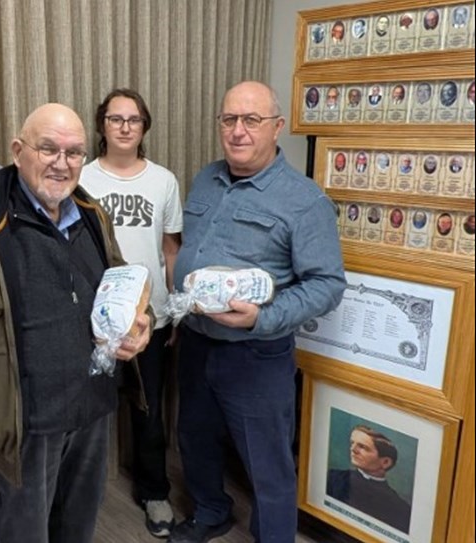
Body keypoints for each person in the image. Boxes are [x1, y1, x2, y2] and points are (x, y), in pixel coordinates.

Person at [0, 103, 151, 543]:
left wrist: (141, 324)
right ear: (18, 150)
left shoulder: (93, 216)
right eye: (48, 149)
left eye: (74, 152)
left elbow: (124, 287)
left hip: (92, 414)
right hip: (25, 428)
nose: (62, 163)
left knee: (77, 530)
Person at [168, 81, 345, 543]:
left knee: (268, 466)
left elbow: (327, 285)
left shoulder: (305, 201)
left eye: (251, 120)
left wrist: (261, 318)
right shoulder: (207, 177)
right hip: (196, 343)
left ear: (277, 127)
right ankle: (211, 511)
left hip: (255, 355)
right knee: (195, 437)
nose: (238, 131)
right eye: (229, 119)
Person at [79, 89, 183, 538]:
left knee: (149, 410)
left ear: (144, 127)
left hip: (150, 321)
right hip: (95, 323)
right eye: (115, 118)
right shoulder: (81, 178)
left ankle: (154, 491)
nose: (124, 127)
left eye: (133, 119)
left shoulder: (164, 181)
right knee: (87, 411)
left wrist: (174, 309)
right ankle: (81, 493)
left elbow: (170, 248)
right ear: (101, 125)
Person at [326, 425, 411, 534]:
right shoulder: (333, 477)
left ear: (385, 462)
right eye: (352, 443)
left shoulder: (400, 507)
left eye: (362, 447)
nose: (353, 449)